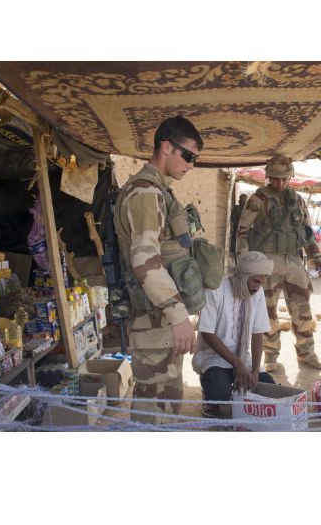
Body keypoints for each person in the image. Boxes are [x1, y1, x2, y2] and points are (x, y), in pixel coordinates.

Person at [114, 115, 203, 425]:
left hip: (160, 317)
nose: (191, 165)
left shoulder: (158, 190)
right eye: (188, 156)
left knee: (166, 401)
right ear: (166, 147)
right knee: (153, 410)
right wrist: (179, 316)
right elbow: (144, 259)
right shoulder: (146, 192)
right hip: (154, 320)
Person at [236, 154, 321, 372]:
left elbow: (307, 232)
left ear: (289, 177)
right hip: (267, 262)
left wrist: (316, 257)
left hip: (294, 261)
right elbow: (242, 232)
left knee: (303, 310)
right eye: (275, 178)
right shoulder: (257, 199)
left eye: (284, 178)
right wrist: (245, 266)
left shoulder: (296, 200)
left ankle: (307, 353)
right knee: (268, 312)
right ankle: (270, 355)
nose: (279, 183)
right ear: (268, 177)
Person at [192, 251, 276, 417]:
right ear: (243, 276)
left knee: (268, 388)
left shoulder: (257, 293)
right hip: (214, 358)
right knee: (219, 393)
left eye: (261, 283)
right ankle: (210, 395)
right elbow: (207, 333)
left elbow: (258, 333)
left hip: (244, 358)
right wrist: (237, 363)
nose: (257, 287)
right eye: (256, 281)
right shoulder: (215, 289)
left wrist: (254, 372)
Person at [230, 193, 248, 257]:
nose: (242, 201)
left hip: (243, 231)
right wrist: (237, 223)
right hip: (236, 229)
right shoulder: (236, 208)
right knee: (235, 246)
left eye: (244, 200)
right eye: (242, 200)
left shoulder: (247, 210)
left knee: (242, 247)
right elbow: (233, 217)